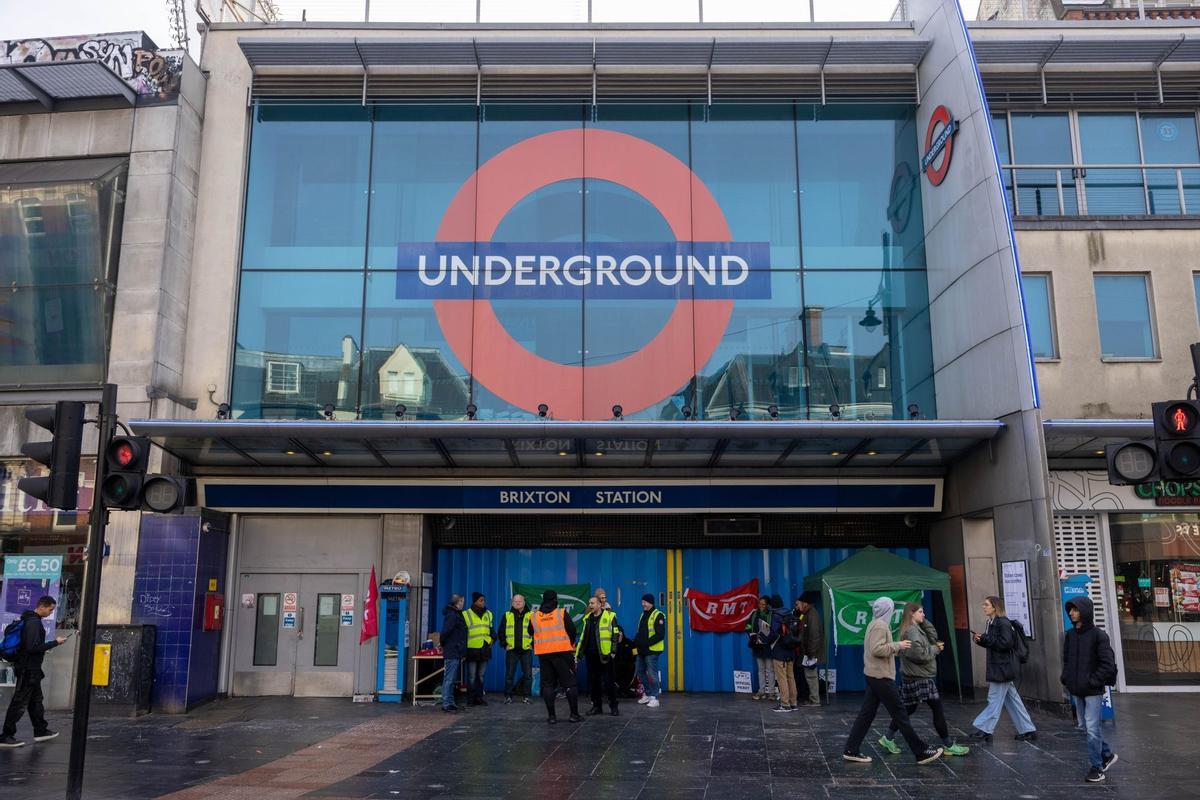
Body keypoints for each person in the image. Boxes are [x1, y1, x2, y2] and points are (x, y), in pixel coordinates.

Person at [843, 597, 943, 765]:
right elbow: (877, 649)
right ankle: (920, 751)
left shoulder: (873, 623)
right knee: (900, 714)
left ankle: (851, 749)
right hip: (881, 677)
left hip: (873, 675)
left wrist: (896, 647)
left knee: (866, 715)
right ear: (887, 610)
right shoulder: (880, 626)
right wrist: (898, 645)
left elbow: (879, 648)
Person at [878, 603, 969, 757]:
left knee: (908, 709)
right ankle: (948, 745)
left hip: (914, 676)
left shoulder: (915, 628)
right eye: (920, 612)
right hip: (920, 677)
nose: (924, 614)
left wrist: (924, 622)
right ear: (911, 614)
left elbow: (932, 636)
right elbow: (918, 655)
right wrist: (935, 649)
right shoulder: (912, 631)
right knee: (937, 709)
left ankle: (888, 737)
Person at [1061, 596, 1119, 783]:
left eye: (1075, 609)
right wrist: (1067, 678)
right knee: (1086, 726)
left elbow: (1108, 664)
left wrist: (1093, 681)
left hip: (1092, 690)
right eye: (1070, 609)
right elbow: (1067, 660)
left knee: (1092, 728)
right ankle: (1107, 754)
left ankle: (1097, 767)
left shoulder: (1099, 635)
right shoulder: (1070, 635)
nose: (1071, 613)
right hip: (1076, 688)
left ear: (1085, 611)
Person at [969, 596, 1037, 743]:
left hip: (1002, 667)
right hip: (1000, 666)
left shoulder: (1003, 623)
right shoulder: (992, 622)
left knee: (994, 699)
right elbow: (994, 643)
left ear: (995, 607)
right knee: (1013, 701)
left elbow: (1005, 643)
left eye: (986, 604)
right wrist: (981, 640)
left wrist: (985, 639)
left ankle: (984, 729)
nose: (983, 607)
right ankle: (1028, 730)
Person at [1, 596, 66, 747]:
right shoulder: (34, 623)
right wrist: (55, 642)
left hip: (32, 669)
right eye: (50, 609)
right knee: (19, 702)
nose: (51, 613)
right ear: (42, 606)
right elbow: (31, 648)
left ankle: (40, 730)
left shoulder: (29, 620)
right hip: (28, 669)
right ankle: (6, 735)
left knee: (35, 701)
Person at [529, 589, 582, 724]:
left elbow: (530, 632)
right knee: (570, 684)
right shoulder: (561, 613)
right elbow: (572, 630)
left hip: (544, 655)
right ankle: (574, 715)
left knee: (548, 685)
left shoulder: (534, 616)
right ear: (555, 600)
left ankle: (552, 717)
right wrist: (569, 643)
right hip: (562, 653)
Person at [576, 596, 621, 716]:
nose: (591, 605)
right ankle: (597, 707)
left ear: (600, 605)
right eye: (589, 603)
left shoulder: (610, 616)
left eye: (593, 603)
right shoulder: (588, 618)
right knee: (594, 683)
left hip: (605, 655)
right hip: (591, 655)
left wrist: (613, 652)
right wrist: (578, 654)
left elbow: (615, 635)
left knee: (609, 682)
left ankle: (613, 706)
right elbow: (583, 638)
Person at [500, 594, 533, 704]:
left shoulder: (531, 615)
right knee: (509, 675)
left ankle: (526, 697)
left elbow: (537, 632)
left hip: (526, 650)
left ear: (524, 602)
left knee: (528, 675)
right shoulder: (507, 615)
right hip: (512, 650)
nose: (518, 603)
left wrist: (533, 644)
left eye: (520, 601)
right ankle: (508, 696)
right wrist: (504, 645)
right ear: (512, 603)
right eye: (515, 601)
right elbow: (501, 632)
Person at [463, 592, 495, 706]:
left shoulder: (488, 614)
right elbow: (463, 633)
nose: (483, 602)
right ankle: (470, 699)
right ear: (475, 601)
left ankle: (479, 698)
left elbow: (491, 630)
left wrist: (492, 640)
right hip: (472, 649)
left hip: (484, 649)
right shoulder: (466, 614)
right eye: (481, 600)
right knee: (472, 676)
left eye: (484, 600)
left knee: (481, 675)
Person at [634, 593, 665, 708]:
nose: (643, 604)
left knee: (652, 674)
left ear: (651, 602)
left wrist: (646, 643)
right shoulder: (643, 615)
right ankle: (647, 694)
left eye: (645, 602)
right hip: (641, 650)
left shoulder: (658, 615)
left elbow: (660, 635)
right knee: (640, 671)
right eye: (642, 602)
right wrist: (636, 642)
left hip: (652, 651)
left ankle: (655, 698)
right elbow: (640, 632)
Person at [793, 592, 824, 707]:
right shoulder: (805, 614)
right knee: (809, 675)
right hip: (807, 652)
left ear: (804, 604)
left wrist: (811, 653)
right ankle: (812, 698)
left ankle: (815, 700)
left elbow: (814, 636)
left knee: (811, 675)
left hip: (811, 652)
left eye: (798, 604)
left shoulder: (812, 615)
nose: (797, 607)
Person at [768, 595, 798, 712]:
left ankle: (785, 704)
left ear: (772, 605)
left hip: (779, 650)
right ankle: (793, 703)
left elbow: (773, 634)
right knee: (791, 677)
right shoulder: (790, 613)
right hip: (790, 650)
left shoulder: (775, 616)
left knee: (782, 678)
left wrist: (765, 637)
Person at [438, 594, 467, 713]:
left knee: (452, 678)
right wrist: (445, 644)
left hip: (455, 649)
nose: (463, 604)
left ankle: (450, 701)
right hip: (452, 650)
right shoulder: (453, 615)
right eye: (462, 601)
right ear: (458, 602)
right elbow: (446, 632)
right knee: (449, 678)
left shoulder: (455, 614)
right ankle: (446, 702)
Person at [745, 595, 775, 701]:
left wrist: (768, 638)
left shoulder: (771, 615)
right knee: (760, 670)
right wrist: (750, 634)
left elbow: (774, 630)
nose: (761, 606)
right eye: (760, 604)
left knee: (770, 670)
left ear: (767, 605)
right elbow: (747, 625)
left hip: (767, 646)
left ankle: (771, 693)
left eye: (764, 604)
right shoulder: (754, 614)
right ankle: (761, 691)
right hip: (757, 646)